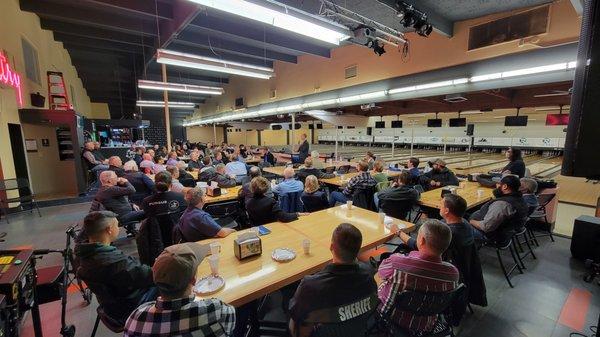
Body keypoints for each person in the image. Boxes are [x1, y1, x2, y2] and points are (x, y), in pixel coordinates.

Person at [124, 242, 236, 336]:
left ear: (155, 278)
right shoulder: (216, 310)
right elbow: (230, 325)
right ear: (194, 280)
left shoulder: (135, 320)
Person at [289, 223, 377, 336]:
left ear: (331, 246)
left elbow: (298, 326)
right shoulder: (369, 273)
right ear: (358, 250)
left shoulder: (310, 285)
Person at [378, 219, 459, 334]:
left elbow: (381, 272)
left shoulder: (397, 263)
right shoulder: (453, 273)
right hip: (428, 322)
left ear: (421, 240)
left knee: (379, 277)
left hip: (394, 319)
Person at [76, 211, 156, 323]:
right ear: (109, 229)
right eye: (117, 225)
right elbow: (151, 276)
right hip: (128, 308)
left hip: (110, 305)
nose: (119, 228)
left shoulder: (83, 253)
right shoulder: (114, 263)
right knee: (170, 281)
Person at [469, 175, 528, 244]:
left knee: (457, 226)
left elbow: (486, 227)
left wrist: (470, 221)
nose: (497, 186)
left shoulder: (502, 204)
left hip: (491, 235)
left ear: (504, 186)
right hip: (505, 231)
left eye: (499, 184)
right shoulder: (519, 198)